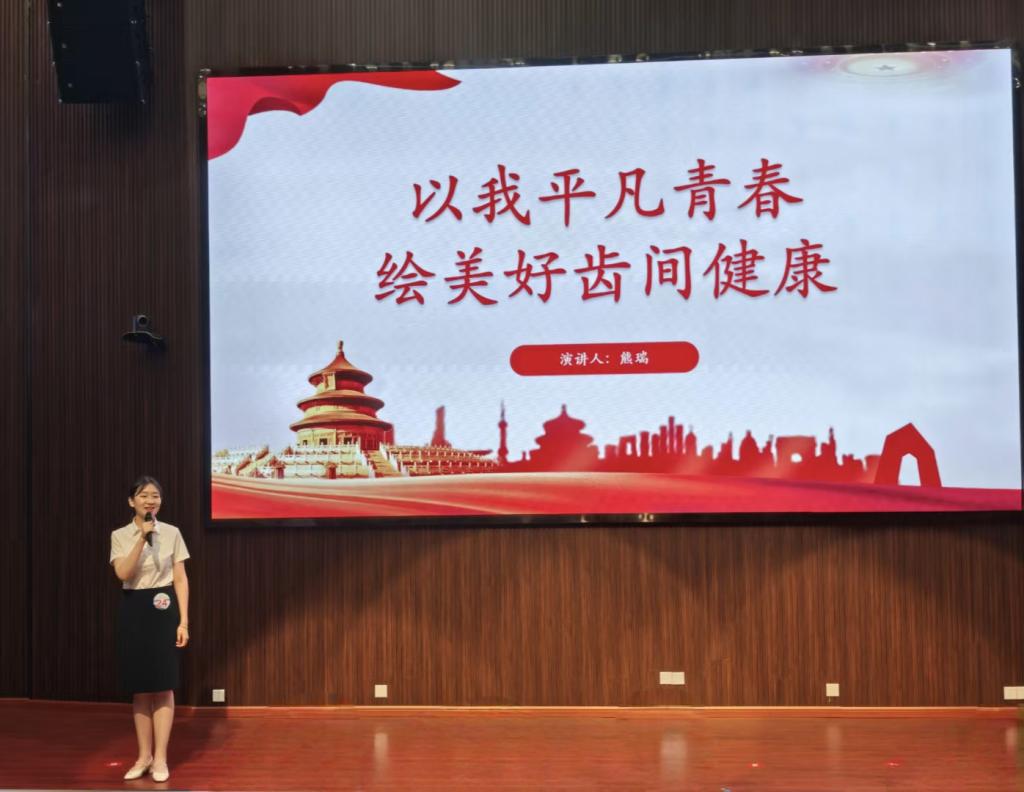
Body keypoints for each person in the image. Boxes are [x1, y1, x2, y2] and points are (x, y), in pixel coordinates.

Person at [109, 476, 190, 783]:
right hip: (134, 606)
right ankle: (143, 756)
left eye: (155, 495)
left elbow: (180, 579)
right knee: (141, 687)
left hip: (164, 606)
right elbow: (122, 573)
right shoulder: (120, 535)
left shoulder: (172, 532)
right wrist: (142, 538)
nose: (151, 500)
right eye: (144, 495)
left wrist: (183, 622)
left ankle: (161, 758)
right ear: (132, 501)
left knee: (164, 685)